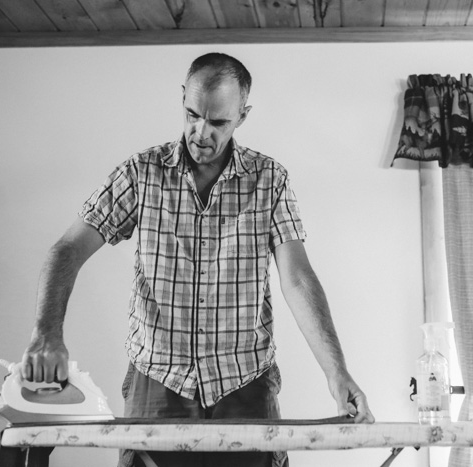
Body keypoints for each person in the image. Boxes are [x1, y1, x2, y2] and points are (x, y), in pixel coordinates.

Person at [21, 52, 374, 467]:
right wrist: (47, 334)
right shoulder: (142, 173)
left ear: (243, 115)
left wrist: (337, 372)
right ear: (183, 100)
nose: (200, 132)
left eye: (218, 122)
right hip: (158, 381)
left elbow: (297, 278)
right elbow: (67, 249)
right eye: (192, 114)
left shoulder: (270, 180)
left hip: (245, 385)